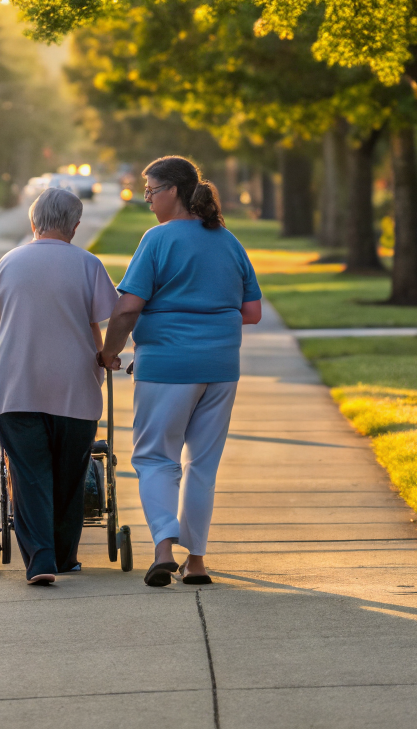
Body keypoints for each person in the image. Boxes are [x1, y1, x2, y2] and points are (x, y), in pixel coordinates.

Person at [97, 156, 262, 587]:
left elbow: (127, 308)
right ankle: (197, 562)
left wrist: (109, 352)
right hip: (221, 367)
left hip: (167, 366)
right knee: (202, 466)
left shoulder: (158, 239)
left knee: (155, 458)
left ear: (174, 190)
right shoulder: (228, 241)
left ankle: (164, 550)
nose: (148, 198)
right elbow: (252, 312)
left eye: (152, 190)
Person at [0, 187, 118, 584]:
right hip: (75, 391)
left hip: (15, 390)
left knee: (29, 475)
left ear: (33, 221)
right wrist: (105, 355)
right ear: (75, 226)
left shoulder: (9, 262)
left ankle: (40, 559)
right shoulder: (88, 264)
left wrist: (11, 358)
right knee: (69, 475)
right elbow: (104, 320)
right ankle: (64, 556)